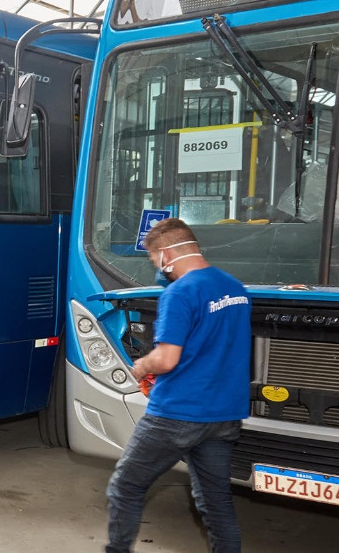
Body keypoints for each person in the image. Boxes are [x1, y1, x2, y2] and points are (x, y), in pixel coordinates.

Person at [105, 217, 251, 553]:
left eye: (155, 260)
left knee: (126, 486)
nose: (157, 268)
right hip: (224, 414)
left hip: (178, 412)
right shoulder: (235, 288)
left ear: (167, 254)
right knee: (216, 503)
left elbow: (168, 358)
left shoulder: (180, 292)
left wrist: (142, 365)